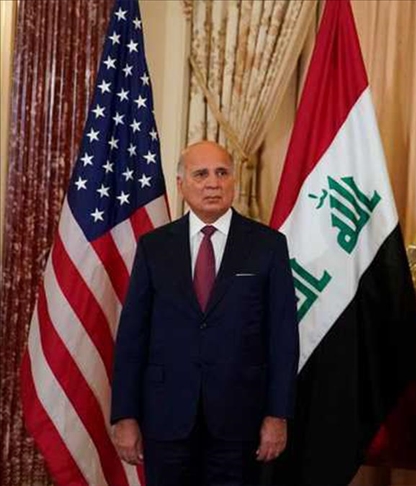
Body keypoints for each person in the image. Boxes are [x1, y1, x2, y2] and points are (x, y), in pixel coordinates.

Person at [110, 141, 299, 485]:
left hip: (240, 421)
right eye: (201, 174)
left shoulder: (267, 246)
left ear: (234, 181)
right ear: (181, 185)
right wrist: (125, 415)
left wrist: (277, 415)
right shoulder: (154, 247)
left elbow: (283, 338)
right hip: (166, 419)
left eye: (222, 173)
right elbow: (132, 338)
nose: (213, 183)